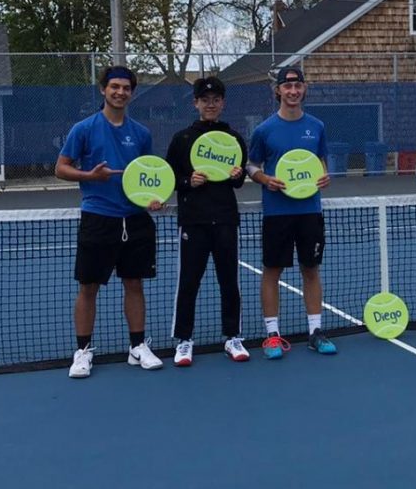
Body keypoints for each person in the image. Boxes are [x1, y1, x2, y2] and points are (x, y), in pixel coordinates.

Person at [55, 66, 164, 378]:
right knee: (88, 287)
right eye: (114, 86)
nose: (120, 92)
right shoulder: (84, 129)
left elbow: (148, 176)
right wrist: (90, 175)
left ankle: (137, 347)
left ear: (132, 92)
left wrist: (153, 200)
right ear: (103, 90)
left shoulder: (141, 133)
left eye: (126, 88)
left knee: (134, 283)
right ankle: (83, 351)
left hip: (136, 219)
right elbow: (61, 168)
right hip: (98, 217)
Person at [246, 66, 337, 359]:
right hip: (277, 213)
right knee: (272, 271)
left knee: (311, 269)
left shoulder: (317, 126)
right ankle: (272, 335)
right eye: (287, 87)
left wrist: (325, 175)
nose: (293, 91)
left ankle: (315, 332)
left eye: (298, 86)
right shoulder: (264, 130)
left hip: (309, 211)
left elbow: (321, 162)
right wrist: (264, 179)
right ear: (279, 91)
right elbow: (251, 165)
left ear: (304, 89)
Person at [165, 76, 250, 366]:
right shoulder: (182, 139)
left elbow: (238, 182)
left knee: (229, 282)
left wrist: (239, 176)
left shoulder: (235, 139)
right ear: (196, 103)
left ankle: (232, 337)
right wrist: (189, 180)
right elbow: (170, 178)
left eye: (215, 99)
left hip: (226, 219)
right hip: (193, 221)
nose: (210, 104)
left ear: (222, 103)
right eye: (205, 99)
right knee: (189, 282)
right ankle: (184, 340)